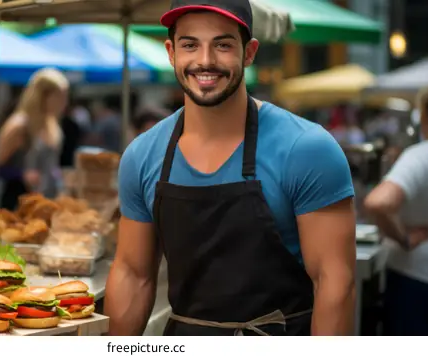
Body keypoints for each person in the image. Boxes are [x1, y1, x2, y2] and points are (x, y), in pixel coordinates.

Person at [104, 0, 356, 336]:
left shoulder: (307, 149)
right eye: (190, 45)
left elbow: (335, 283)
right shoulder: (143, 155)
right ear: (171, 52)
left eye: (222, 45)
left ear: (249, 52)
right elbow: (133, 275)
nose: (205, 61)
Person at [364, 79, 428, 336]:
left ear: (423, 117)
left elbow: (378, 202)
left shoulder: (422, 155)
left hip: (417, 280)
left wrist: (404, 238)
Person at [0, 68, 69, 206]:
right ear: (43, 96)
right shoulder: (20, 125)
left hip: (46, 200)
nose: (64, 102)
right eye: (60, 96)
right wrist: (21, 175)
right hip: (19, 202)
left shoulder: (51, 124)